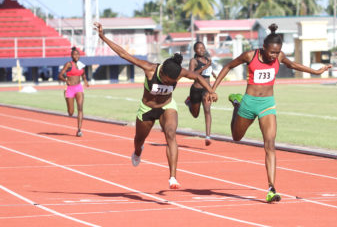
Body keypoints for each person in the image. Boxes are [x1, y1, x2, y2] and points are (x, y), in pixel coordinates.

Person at [212, 24, 331, 203]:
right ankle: (236, 104)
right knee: (236, 137)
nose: (274, 56)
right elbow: (228, 66)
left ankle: (271, 188)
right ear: (264, 48)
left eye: (277, 53)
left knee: (270, 144)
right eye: (272, 52)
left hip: (267, 104)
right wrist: (213, 89)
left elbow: (293, 65)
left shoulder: (280, 56)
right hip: (249, 102)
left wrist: (316, 71)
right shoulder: (250, 55)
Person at [94, 22, 218, 189]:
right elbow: (123, 54)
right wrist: (102, 36)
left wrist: (211, 90)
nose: (171, 82)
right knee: (138, 141)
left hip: (167, 106)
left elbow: (198, 77)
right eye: (169, 81)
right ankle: (138, 151)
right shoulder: (149, 69)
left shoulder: (178, 71)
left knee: (171, 134)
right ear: (162, 74)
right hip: (147, 109)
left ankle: (172, 177)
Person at [185, 41, 217, 146]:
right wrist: (204, 67)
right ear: (195, 50)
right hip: (196, 89)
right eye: (199, 48)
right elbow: (191, 74)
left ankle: (208, 136)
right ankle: (189, 102)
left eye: (203, 48)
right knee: (195, 114)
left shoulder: (208, 59)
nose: (202, 50)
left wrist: (213, 73)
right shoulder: (193, 61)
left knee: (207, 110)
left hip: (206, 90)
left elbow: (209, 70)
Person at [58, 47, 89, 137]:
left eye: (77, 54)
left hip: (79, 88)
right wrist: (65, 80)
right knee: (71, 112)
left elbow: (83, 73)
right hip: (70, 89)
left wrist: (85, 81)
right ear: (71, 56)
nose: (76, 56)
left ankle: (79, 130)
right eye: (74, 54)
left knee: (80, 108)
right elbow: (60, 75)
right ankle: (69, 107)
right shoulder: (68, 64)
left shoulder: (81, 65)